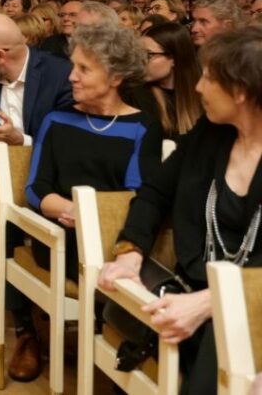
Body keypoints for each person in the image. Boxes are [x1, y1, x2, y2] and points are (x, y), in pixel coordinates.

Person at [100, 27, 262, 394]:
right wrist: (131, 251)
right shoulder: (210, 134)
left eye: (209, 77)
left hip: (253, 301)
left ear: (240, 91)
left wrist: (211, 303)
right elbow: (155, 190)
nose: (199, 87)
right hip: (195, 284)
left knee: (219, 332)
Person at [0, 13, 74, 383]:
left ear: (0, 55)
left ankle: (67, 316)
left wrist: (19, 141)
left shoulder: (58, 73)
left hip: (57, 181)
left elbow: (70, 141)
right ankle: (25, 330)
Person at [26, 23, 161, 282]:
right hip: (60, 237)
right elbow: (35, 187)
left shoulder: (141, 126)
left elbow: (137, 194)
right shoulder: (56, 119)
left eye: (84, 69)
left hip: (115, 234)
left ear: (116, 77)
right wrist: (72, 209)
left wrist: (95, 217)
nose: (71, 77)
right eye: (73, 66)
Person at [140, 22, 203, 140]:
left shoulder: (202, 95)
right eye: (139, 53)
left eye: (148, 55)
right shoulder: (138, 95)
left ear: (174, 58)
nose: (140, 60)